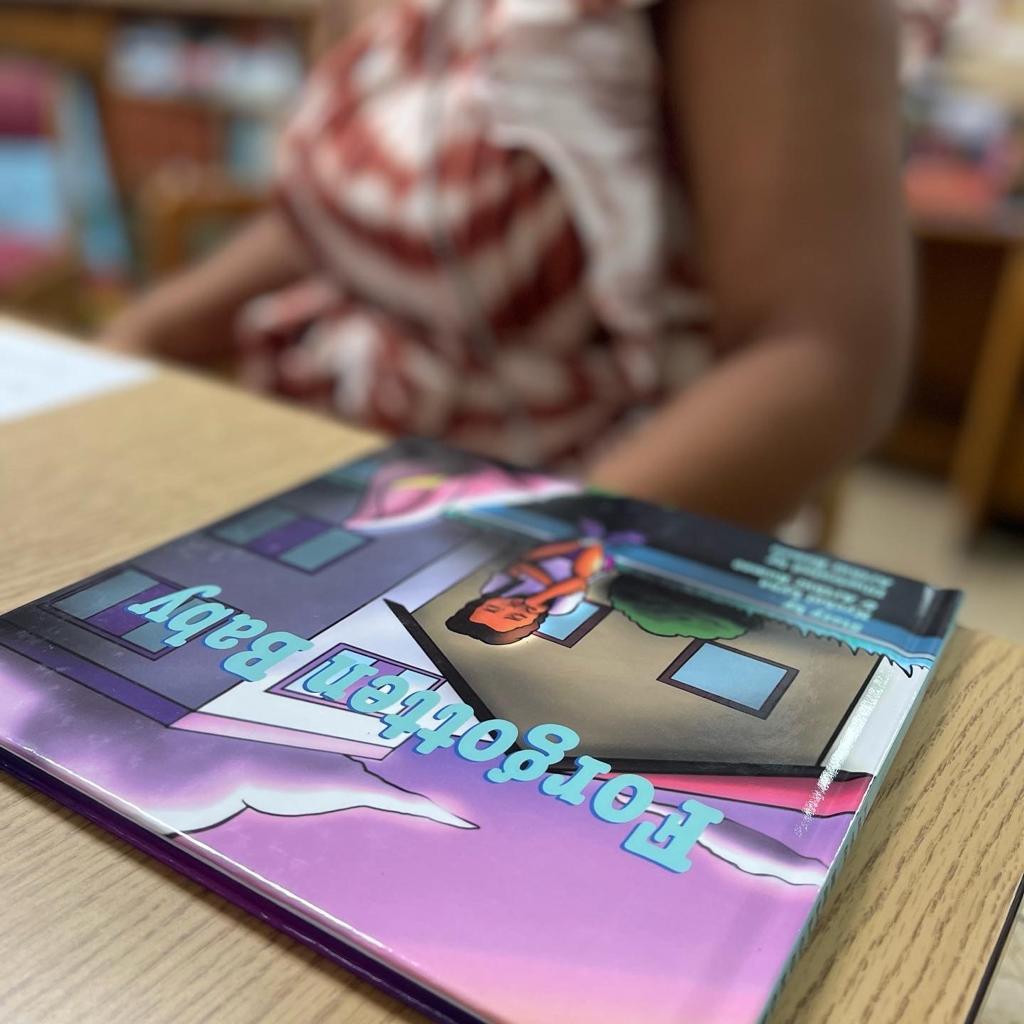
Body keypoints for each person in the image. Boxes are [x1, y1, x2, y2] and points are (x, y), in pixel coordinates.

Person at [101, 0, 910, 532]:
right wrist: (139, 337)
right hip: (315, 478)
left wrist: (514, 576)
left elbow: (819, 353)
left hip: (572, 521)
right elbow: (362, 220)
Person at [446, 537, 606, 645]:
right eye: (518, 616)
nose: (513, 607)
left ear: (482, 602)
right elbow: (578, 582)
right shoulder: (558, 608)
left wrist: (550, 585)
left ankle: (581, 541)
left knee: (527, 556)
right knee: (582, 572)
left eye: (493, 608)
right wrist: (540, 597)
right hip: (591, 562)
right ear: (532, 622)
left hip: (552, 553)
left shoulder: (494, 589)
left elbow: (521, 566)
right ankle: (594, 544)